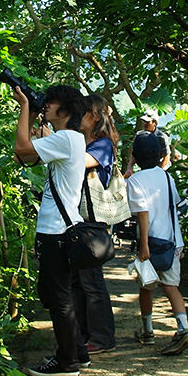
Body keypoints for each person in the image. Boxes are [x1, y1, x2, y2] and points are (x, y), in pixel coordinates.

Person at [13, 83, 89, 376]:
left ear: (67, 110)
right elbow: (25, 157)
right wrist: (31, 115)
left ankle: (67, 362)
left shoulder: (67, 138)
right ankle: (77, 353)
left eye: (52, 102)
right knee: (58, 294)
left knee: (57, 297)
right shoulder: (66, 139)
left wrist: (24, 109)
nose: (46, 105)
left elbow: (21, 148)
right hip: (59, 229)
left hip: (56, 231)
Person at [127, 133, 188, 355]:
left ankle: (147, 330)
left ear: (135, 156)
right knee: (171, 287)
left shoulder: (135, 180)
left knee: (146, 287)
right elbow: (174, 205)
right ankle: (183, 328)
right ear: (160, 155)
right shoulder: (167, 177)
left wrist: (143, 246)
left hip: (151, 243)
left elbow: (142, 214)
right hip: (172, 242)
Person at [76, 94, 119, 356]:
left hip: (92, 223)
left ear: (93, 116)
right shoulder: (87, 142)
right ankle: (88, 334)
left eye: (81, 113)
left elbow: (79, 163)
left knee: (92, 282)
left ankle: (103, 337)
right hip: (80, 222)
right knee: (81, 281)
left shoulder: (102, 144)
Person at [123, 110, 171, 177]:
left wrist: (156, 173)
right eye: (144, 121)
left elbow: (166, 158)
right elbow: (134, 155)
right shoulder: (139, 135)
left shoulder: (161, 137)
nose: (145, 124)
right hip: (144, 170)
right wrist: (129, 167)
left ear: (155, 123)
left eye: (147, 122)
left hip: (160, 171)